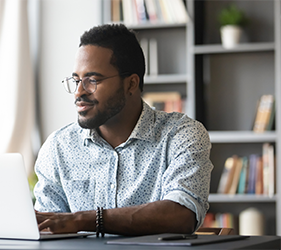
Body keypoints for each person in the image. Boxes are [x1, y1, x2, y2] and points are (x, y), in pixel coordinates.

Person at [33, 23, 213, 236]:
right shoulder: (58, 147)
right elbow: (46, 227)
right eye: (76, 80)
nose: (79, 92)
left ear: (131, 84)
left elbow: (181, 215)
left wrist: (85, 220)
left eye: (92, 80)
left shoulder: (181, 135)